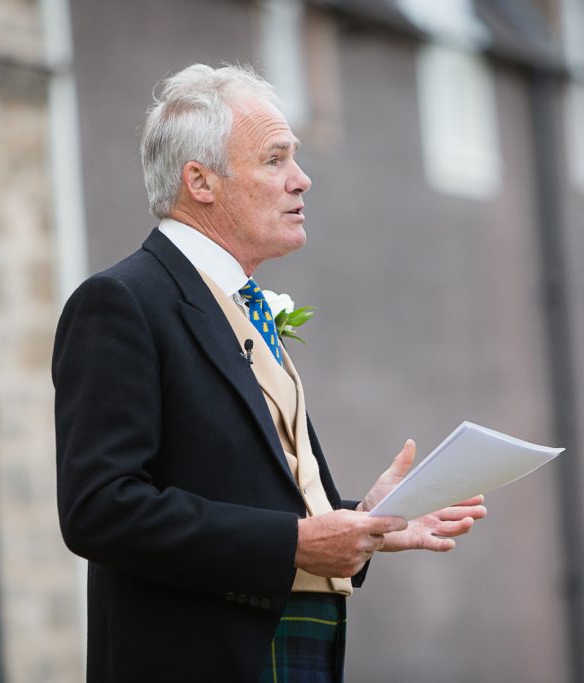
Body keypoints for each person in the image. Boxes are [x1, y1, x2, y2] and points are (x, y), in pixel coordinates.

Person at [53, 63, 486, 682]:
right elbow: (100, 508)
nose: (301, 180)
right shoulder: (122, 303)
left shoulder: (241, 302)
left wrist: (365, 520)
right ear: (200, 181)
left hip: (297, 641)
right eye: (275, 159)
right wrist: (294, 543)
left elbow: (240, 487)